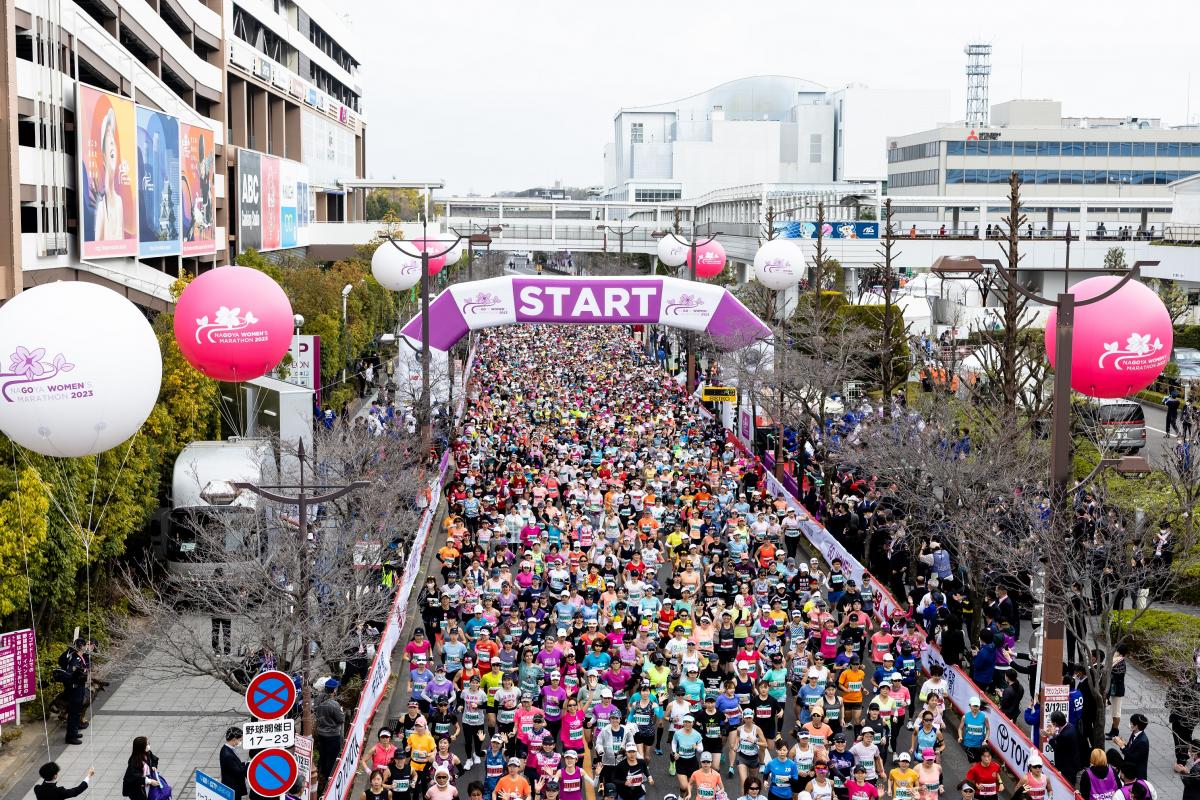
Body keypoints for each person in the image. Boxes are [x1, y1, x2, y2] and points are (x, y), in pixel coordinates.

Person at [316, 679, 345, 787]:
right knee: (332, 757)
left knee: (323, 754)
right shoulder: (334, 704)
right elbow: (341, 719)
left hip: (321, 732)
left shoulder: (318, 699)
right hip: (332, 735)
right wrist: (340, 710)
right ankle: (330, 778)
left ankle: (322, 774)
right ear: (334, 690)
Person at [62, 638, 90, 745]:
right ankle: (70, 736)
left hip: (80, 687)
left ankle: (74, 731)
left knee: (77, 711)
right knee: (73, 712)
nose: (87, 646)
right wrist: (80, 673)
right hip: (75, 688)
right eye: (86, 645)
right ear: (81, 646)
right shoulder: (75, 659)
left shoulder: (81, 657)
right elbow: (71, 674)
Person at [1047, 710, 1083, 786]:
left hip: (1067, 767)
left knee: (1068, 785)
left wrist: (1050, 736)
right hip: (1073, 762)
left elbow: (1056, 746)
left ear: (1055, 723)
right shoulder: (1070, 726)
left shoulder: (1064, 735)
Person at [1113, 713, 1149, 781]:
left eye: (1131, 723)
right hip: (1130, 767)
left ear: (1136, 726)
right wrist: (1123, 743)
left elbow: (1133, 757)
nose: (1130, 724)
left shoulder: (1142, 742)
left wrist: (1122, 746)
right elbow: (1132, 749)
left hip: (1136, 774)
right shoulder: (1134, 733)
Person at [220, 727, 248, 800]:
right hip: (233, 787)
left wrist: (244, 764)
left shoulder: (227, 749)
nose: (240, 742)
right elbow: (238, 771)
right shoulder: (227, 754)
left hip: (232, 785)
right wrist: (248, 766)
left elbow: (234, 765)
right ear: (234, 739)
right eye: (240, 740)